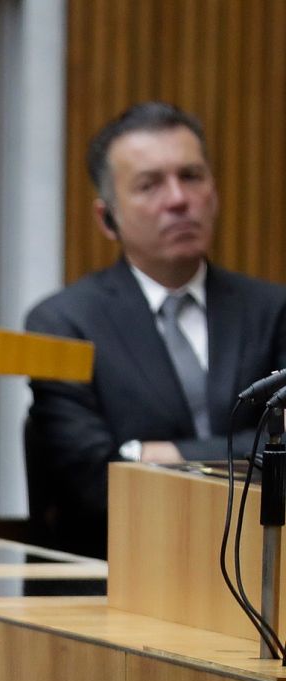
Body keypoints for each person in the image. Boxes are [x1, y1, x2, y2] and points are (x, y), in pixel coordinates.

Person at [25, 102, 286, 556]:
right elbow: (91, 480)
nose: (179, 199)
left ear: (214, 192)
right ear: (107, 219)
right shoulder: (64, 323)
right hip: (120, 566)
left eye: (191, 176)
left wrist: (154, 455)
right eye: (150, 185)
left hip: (262, 559)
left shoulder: (273, 309)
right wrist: (238, 453)